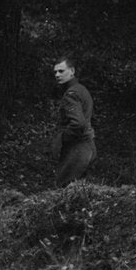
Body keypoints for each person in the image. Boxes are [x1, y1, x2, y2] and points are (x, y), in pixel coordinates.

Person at [50, 57, 96, 186]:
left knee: (63, 189)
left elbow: (78, 123)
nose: (57, 75)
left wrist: (62, 139)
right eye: (55, 72)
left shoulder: (71, 94)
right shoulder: (81, 89)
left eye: (61, 71)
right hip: (88, 146)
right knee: (80, 192)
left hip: (78, 149)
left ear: (72, 71)